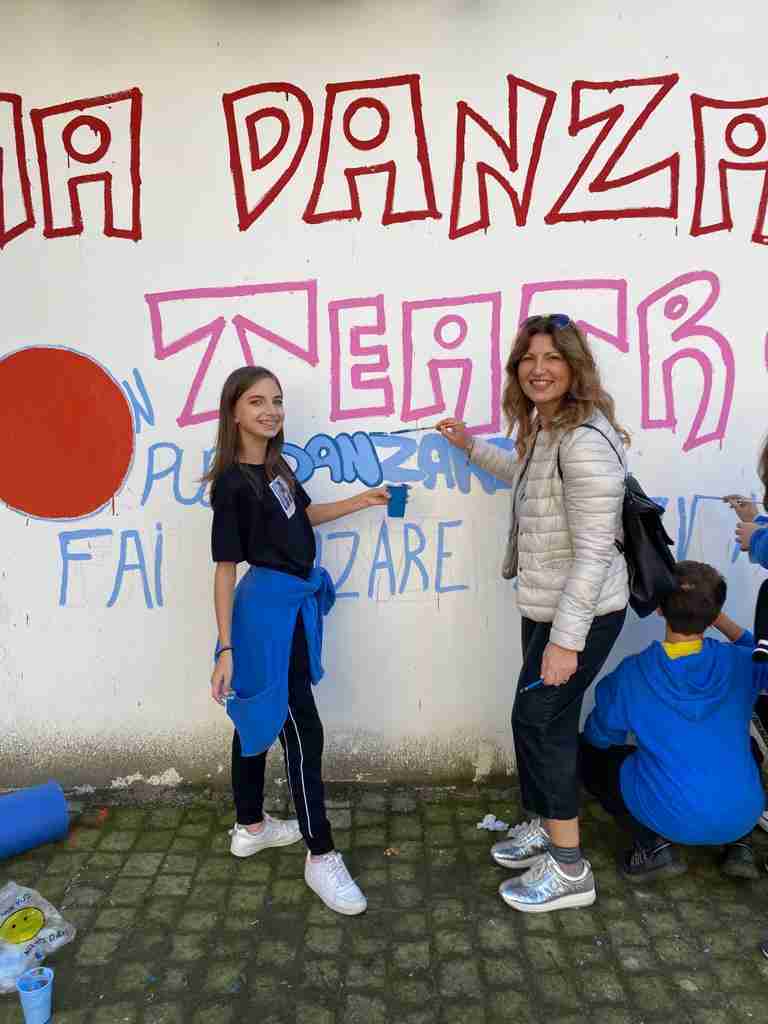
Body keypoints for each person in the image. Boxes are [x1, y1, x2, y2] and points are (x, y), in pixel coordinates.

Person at [438, 313, 629, 912]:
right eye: (528, 359)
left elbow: (595, 551)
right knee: (547, 722)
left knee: (539, 722)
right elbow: (523, 477)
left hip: (582, 613)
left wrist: (566, 641)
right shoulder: (549, 429)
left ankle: (570, 870)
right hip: (549, 604)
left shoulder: (584, 440)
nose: (538, 369)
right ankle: (548, 828)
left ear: (575, 367)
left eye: (552, 358)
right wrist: (471, 447)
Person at [206, 366, 389, 916]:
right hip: (265, 619)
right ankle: (320, 853)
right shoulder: (232, 484)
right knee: (301, 729)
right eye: (257, 401)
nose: (271, 411)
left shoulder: (277, 467)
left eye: (277, 401)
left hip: (289, 607)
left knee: (259, 715)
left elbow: (304, 516)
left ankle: (250, 826)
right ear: (234, 411)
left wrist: (361, 500)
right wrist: (225, 648)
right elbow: (224, 569)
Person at [580, 561, 767, 885]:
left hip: (670, 815)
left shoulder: (632, 675)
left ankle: (653, 847)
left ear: (658, 609)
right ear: (714, 614)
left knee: (589, 757)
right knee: (748, 747)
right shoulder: (741, 663)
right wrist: (718, 618)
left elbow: (600, 737)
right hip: (744, 815)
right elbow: (759, 651)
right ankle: (740, 846)